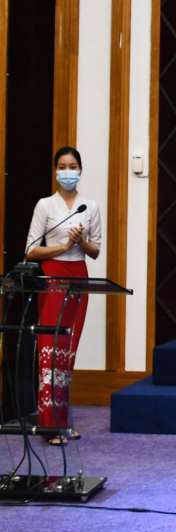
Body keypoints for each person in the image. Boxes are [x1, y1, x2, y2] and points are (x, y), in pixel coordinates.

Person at [25, 146, 102, 445]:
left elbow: (95, 250)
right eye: (62, 166)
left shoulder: (90, 206)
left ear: (80, 170)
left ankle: (63, 421)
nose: (67, 171)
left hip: (78, 276)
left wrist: (80, 241)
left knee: (67, 351)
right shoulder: (45, 205)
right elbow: (31, 250)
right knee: (51, 350)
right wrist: (61, 247)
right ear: (56, 170)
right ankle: (49, 425)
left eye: (72, 166)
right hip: (53, 275)